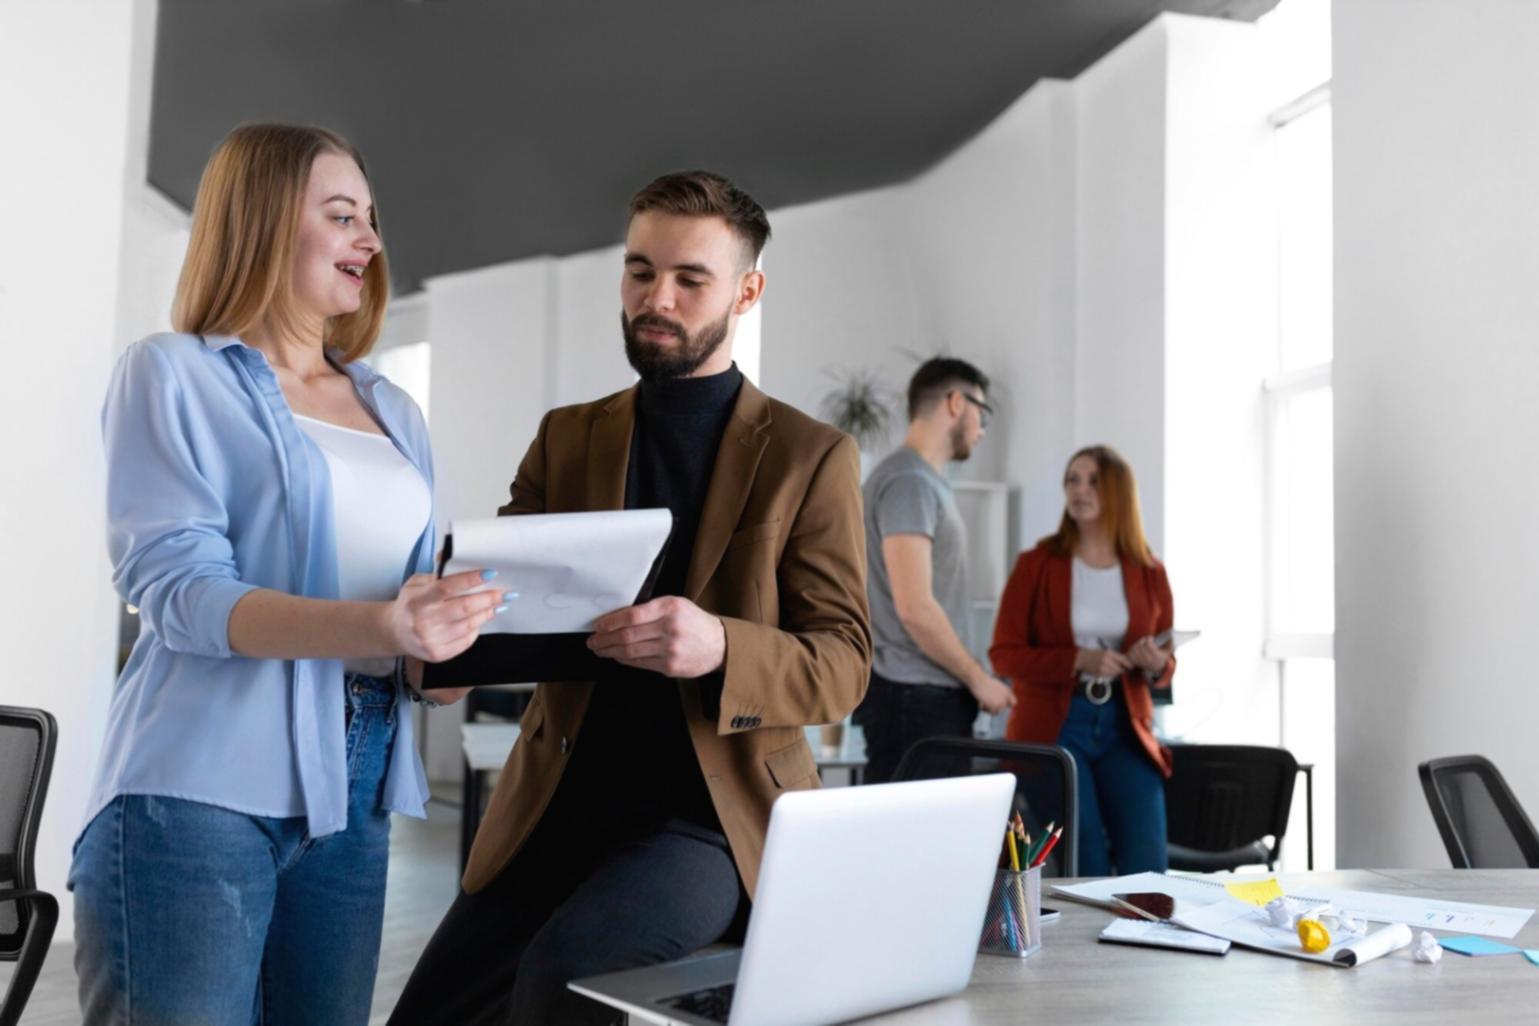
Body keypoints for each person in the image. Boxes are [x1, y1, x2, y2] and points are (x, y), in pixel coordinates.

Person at [389, 170, 872, 1025]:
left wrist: (721, 646)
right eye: (640, 271)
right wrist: (442, 645)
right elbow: (501, 601)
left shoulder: (811, 455)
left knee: (564, 980)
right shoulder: (567, 436)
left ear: (747, 292)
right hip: (556, 801)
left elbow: (843, 665)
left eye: (690, 279)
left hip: (707, 819)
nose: (657, 298)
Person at [69, 123, 496, 1025]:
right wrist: (384, 625)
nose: (370, 240)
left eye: (371, 219)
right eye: (342, 216)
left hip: (356, 795)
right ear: (261, 222)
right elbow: (180, 593)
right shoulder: (173, 373)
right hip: (197, 793)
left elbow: (415, 639)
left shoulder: (393, 409)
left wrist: (456, 641)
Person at [988, 445, 1175, 875]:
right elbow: (1003, 655)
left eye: (1093, 481)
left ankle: (1142, 925)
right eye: (1073, 480)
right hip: (1057, 725)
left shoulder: (1149, 571)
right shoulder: (1036, 564)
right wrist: (1077, 660)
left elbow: (1165, 667)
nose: (1079, 489)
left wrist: (1153, 663)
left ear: (1118, 492)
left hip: (1125, 725)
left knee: (1147, 862)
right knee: (1085, 858)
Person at [855, 358, 1015, 784]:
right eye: (982, 414)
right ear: (956, 403)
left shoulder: (916, 480)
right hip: (915, 703)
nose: (982, 430)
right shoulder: (910, 482)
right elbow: (915, 608)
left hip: (918, 700)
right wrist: (978, 679)